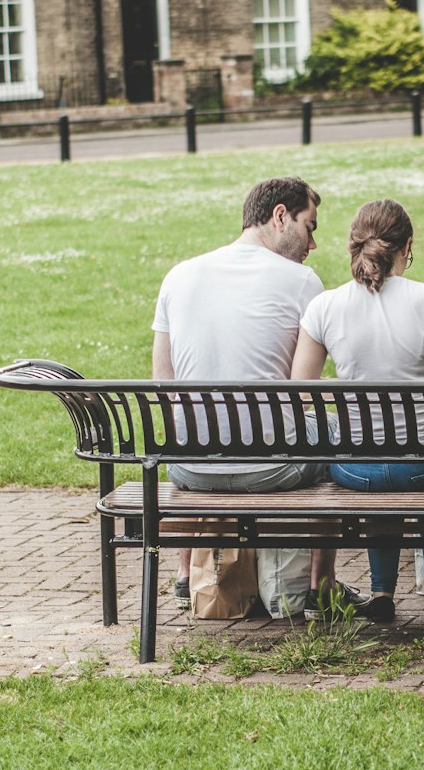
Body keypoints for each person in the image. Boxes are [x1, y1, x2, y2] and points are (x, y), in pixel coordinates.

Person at [151, 175, 362, 615]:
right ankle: (320, 585)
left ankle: (187, 574)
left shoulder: (179, 276)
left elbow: (165, 384)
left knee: (193, 426)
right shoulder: (302, 281)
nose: (313, 243)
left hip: (189, 469)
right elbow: (307, 391)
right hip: (271, 468)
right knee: (336, 441)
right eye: (311, 226)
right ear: (280, 216)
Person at [290, 198, 424, 623]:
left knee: (379, 480)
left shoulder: (325, 306)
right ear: (407, 245)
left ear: (354, 246)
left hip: (358, 469)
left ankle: (382, 591)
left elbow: (301, 389)